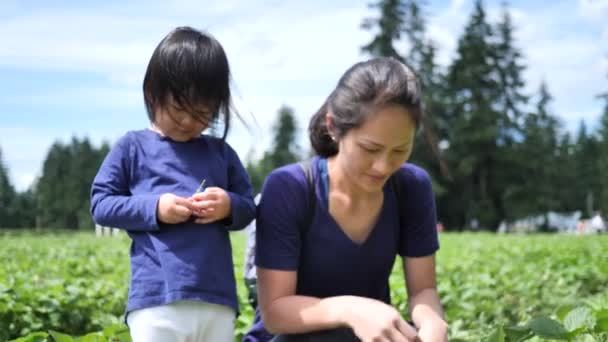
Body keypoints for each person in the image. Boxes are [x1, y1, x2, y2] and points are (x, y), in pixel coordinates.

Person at [244, 57, 447, 342]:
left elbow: (423, 290)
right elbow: (275, 312)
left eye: (400, 150)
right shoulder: (291, 187)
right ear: (334, 127)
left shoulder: (411, 187)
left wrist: (432, 323)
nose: (383, 166)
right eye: (370, 148)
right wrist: (351, 309)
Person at [90, 26, 256, 342]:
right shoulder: (132, 147)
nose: (188, 122)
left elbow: (248, 207)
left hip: (216, 299)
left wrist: (227, 205)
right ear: (153, 92)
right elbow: (101, 204)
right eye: (179, 109)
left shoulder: (220, 153)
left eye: (202, 114)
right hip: (156, 298)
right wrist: (156, 208)